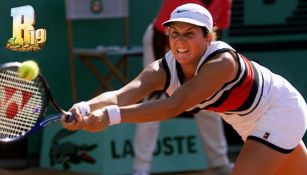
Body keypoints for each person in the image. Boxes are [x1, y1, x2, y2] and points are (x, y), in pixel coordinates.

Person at [62, 3, 307, 175]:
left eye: (189, 33)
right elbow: (120, 95)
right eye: (174, 33)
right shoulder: (162, 69)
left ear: (208, 38)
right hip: (247, 122)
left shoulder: (222, 63)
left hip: (279, 110)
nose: (180, 41)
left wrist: (110, 116)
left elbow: (173, 105)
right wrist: (83, 107)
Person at [133, 1, 232, 175]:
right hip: (162, 44)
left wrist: (210, 64)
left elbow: (216, 33)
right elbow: (158, 32)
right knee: (153, 103)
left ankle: (219, 163)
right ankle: (141, 169)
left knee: (208, 101)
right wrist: (161, 75)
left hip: (198, 47)